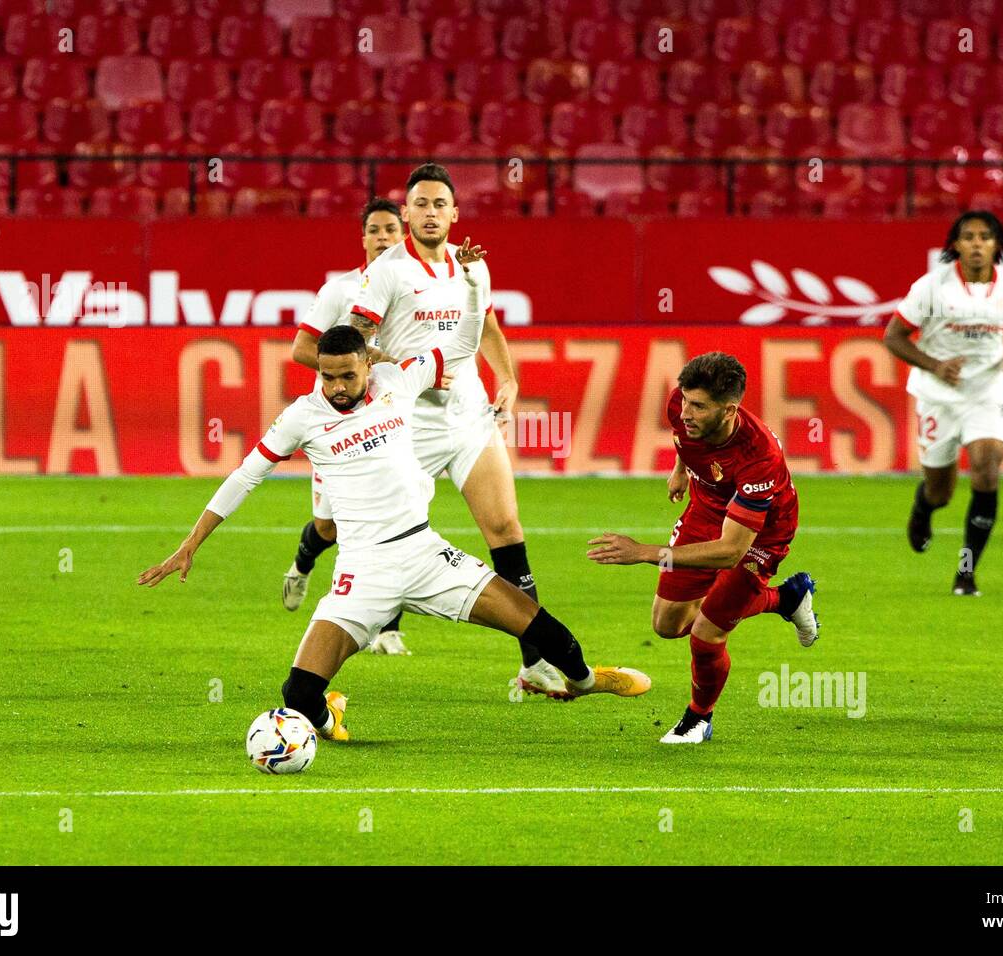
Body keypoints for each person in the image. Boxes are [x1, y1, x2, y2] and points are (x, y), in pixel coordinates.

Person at [139, 251, 650, 743]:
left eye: (347, 375)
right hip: (362, 570)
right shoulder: (302, 415)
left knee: (545, 631)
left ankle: (586, 682)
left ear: (368, 363)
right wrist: (191, 543)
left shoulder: (397, 379)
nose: (337, 387)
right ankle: (327, 715)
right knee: (297, 695)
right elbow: (245, 476)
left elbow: (464, 345)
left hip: (426, 554)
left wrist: (474, 286)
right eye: (327, 376)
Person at [347, 162, 567, 697]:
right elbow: (353, 336)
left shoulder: (473, 268)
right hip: (406, 428)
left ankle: (535, 662)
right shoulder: (387, 273)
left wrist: (508, 378)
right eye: (419, 204)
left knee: (506, 531)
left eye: (438, 204)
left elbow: (486, 323)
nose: (429, 213)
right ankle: (337, 661)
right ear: (406, 213)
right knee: (382, 540)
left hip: (467, 419)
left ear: (454, 213)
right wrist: (398, 365)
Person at [587, 352, 818, 745]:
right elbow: (684, 437)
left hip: (761, 533)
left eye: (699, 406)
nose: (686, 411)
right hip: (708, 505)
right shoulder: (681, 405)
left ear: (729, 411)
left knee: (707, 632)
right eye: (685, 400)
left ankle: (698, 719)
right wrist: (681, 470)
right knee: (668, 625)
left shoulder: (759, 457)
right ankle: (785, 599)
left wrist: (645, 552)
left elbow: (730, 550)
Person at [282, 197, 410, 656]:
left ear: (405, 234)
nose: (383, 237)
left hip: (393, 423)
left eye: (391, 230)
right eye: (374, 229)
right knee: (331, 528)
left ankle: (387, 626)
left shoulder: (418, 289)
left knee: (393, 512)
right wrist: (356, 366)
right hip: (342, 427)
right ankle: (302, 563)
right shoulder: (342, 290)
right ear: (363, 238)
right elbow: (301, 349)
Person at [882, 210, 1003, 596]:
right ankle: (924, 507)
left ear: (997, 245)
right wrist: (934, 365)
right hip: (938, 397)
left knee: (986, 470)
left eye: (985, 236)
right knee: (941, 492)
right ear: (956, 245)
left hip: (987, 392)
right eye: (969, 237)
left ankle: (966, 572)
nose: (977, 243)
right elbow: (893, 336)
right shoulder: (932, 288)